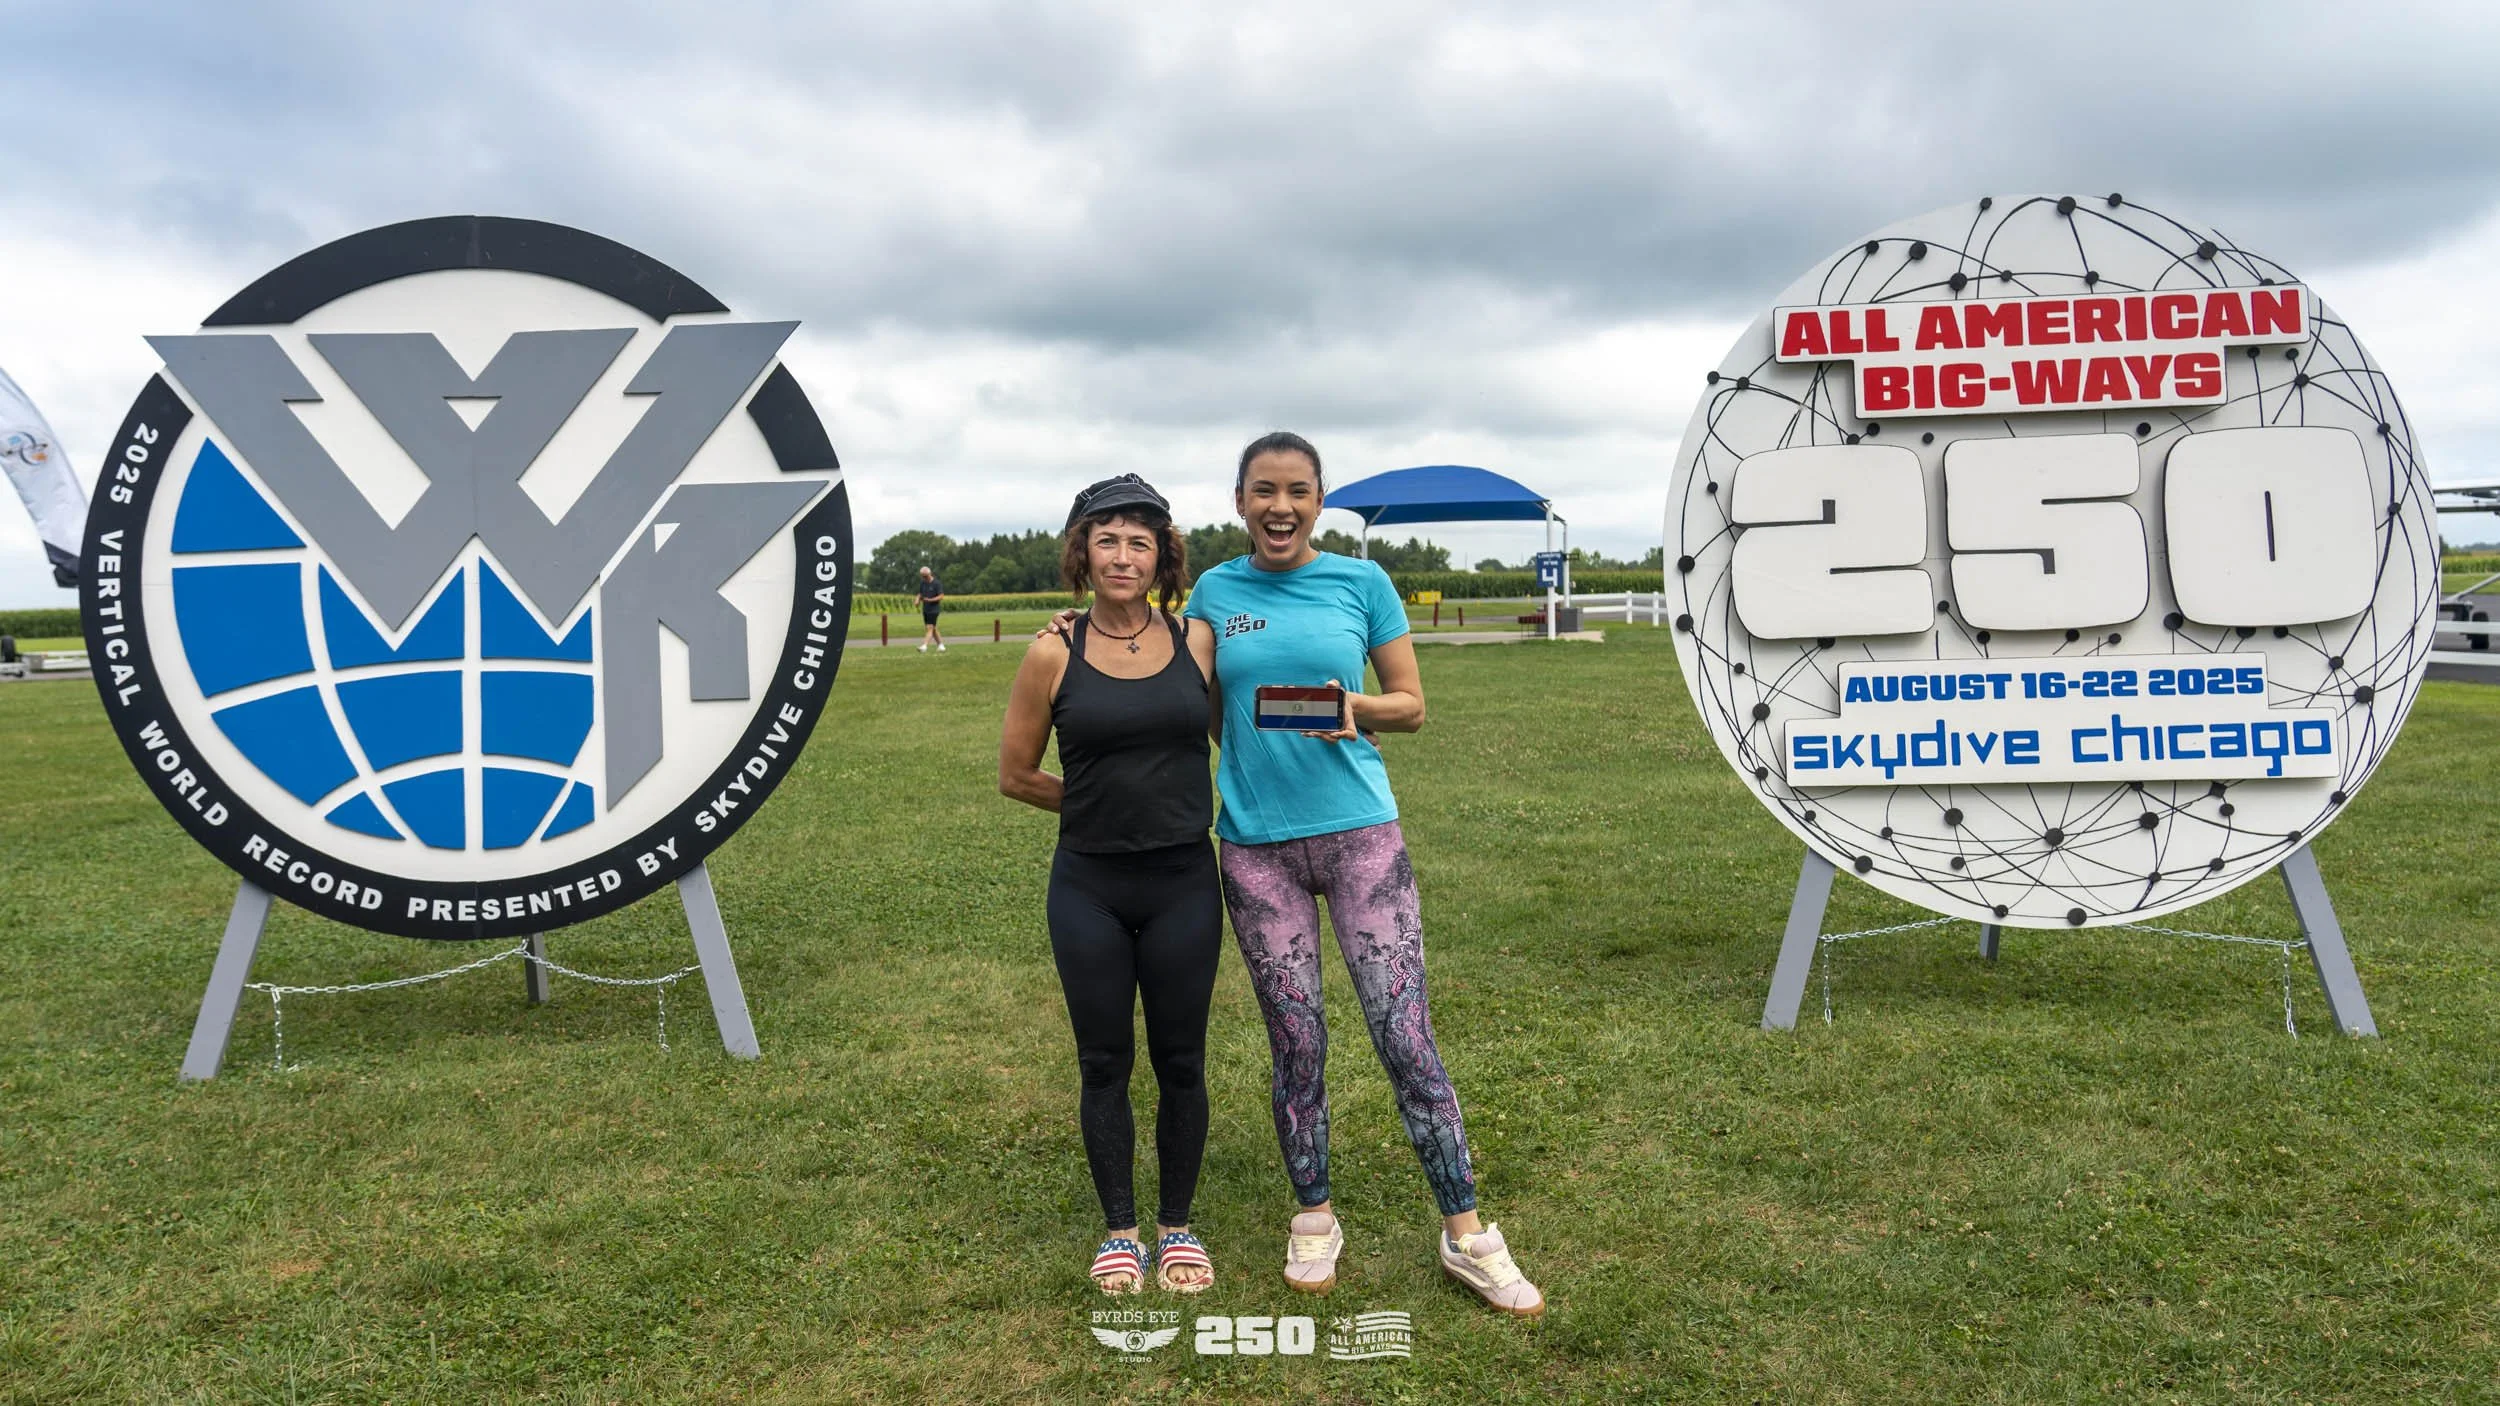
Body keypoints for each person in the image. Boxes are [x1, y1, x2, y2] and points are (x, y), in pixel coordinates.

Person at [1185, 431, 1544, 1317]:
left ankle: (1467, 1235)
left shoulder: (1363, 582)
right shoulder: (1214, 591)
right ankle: (1315, 1217)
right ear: (1239, 501)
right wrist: (1092, 633)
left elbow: (1413, 706)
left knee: (1404, 1034)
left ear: (1318, 499)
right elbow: (1179, 698)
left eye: (1298, 491)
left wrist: (1356, 707)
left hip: (1360, 839)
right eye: (1263, 490)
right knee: (1298, 1042)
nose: (1281, 506)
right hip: (1256, 848)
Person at [999, 474, 1223, 1296]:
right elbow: (1017, 775)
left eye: (1140, 540)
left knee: (1182, 1061)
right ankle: (1122, 1233)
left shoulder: (1198, 642)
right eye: (1107, 539)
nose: (1123, 555)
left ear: (1163, 553)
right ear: (1081, 554)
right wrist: (1098, 802)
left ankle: (1179, 1227)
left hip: (1184, 883)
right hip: (1088, 887)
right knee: (1103, 1062)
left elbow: (1236, 730)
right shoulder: (1053, 650)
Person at [916, 565, 946, 652]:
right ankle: (941, 646)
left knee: (930, 627)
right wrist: (917, 600)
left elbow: (941, 596)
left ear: (930, 574)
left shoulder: (937, 583)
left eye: (925, 576)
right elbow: (920, 593)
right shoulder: (923, 583)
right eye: (922, 576)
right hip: (926, 609)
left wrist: (930, 600)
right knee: (933, 628)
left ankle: (924, 646)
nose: (924, 578)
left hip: (934, 609)